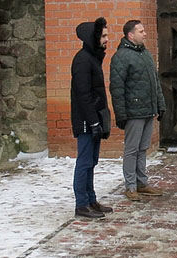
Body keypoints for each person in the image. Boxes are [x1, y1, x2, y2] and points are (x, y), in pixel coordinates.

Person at [109, 19, 166, 201]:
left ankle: (142, 182)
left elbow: (155, 83)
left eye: (144, 30)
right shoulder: (121, 57)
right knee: (132, 149)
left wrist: (160, 104)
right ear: (130, 35)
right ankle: (130, 186)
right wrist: (121, 114)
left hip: (148, 109)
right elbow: (117, 88)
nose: (145, 34)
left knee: (143, 148)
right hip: (134, 111)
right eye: (141, 31)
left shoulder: (146, 55)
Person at [70, 16, 114, 220]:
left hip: (94, 117)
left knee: (92, 161)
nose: (107, 39)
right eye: (103, 36)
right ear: (93, 37)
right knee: (85, 162)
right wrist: (93, 121)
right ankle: (81, 204)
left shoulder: (92, 58)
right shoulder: (82, 60)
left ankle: (91, 199)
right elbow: (83, 95)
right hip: (87, 120)